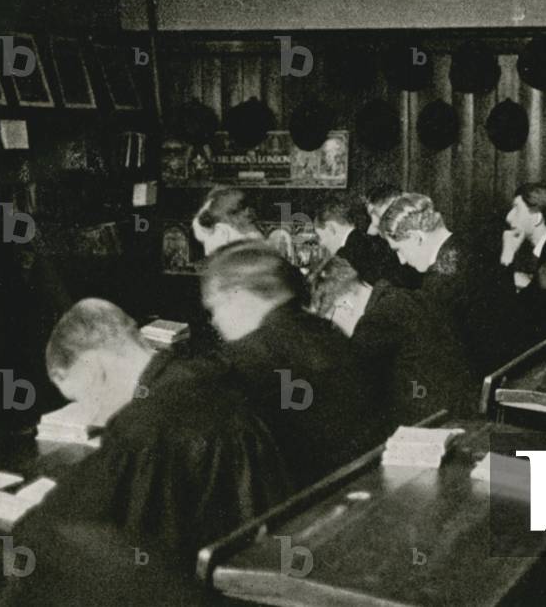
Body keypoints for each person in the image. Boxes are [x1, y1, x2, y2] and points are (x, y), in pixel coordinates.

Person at [0, 299, 291, 603]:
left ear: (94, 368)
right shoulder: (210, 379)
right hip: (248, 577)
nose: (93, 418)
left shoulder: (146, 425)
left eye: (82, 399)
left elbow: (62, 526)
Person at [201, 241, 380, 487]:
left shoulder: (256, 355)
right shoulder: (328, 331)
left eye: (215, 308)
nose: (216, 321)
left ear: (238, 296)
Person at [309, 257, 477, 422]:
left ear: (345, 306)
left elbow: (355, 390)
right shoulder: (405, 296)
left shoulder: (374, 323)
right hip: (461, 406)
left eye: (332, 322)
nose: (337, 330)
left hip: (436, 421)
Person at [380, 193, 520, 374]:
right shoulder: (475, 246)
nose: (401, 260)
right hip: (508, 364)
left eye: (398, 249)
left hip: (479, 378)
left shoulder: (440, 282)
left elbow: (439, 357)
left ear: (417, 238)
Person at [500, 183, 546, 346]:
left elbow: (510, 315)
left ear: (537, 217)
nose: (508, 217)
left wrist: (507, 256)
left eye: (516, 208)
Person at [314, 191, 408, 286]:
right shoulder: (377, 242)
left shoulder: (343, 257)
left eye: (320, 237)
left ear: (331, 228)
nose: (321, 244)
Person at [191, 187, 264, 255]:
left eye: (248, 207)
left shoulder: (247, 229)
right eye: (241, 209)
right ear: (227, 215)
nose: (248, 212)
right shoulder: (222, 232)